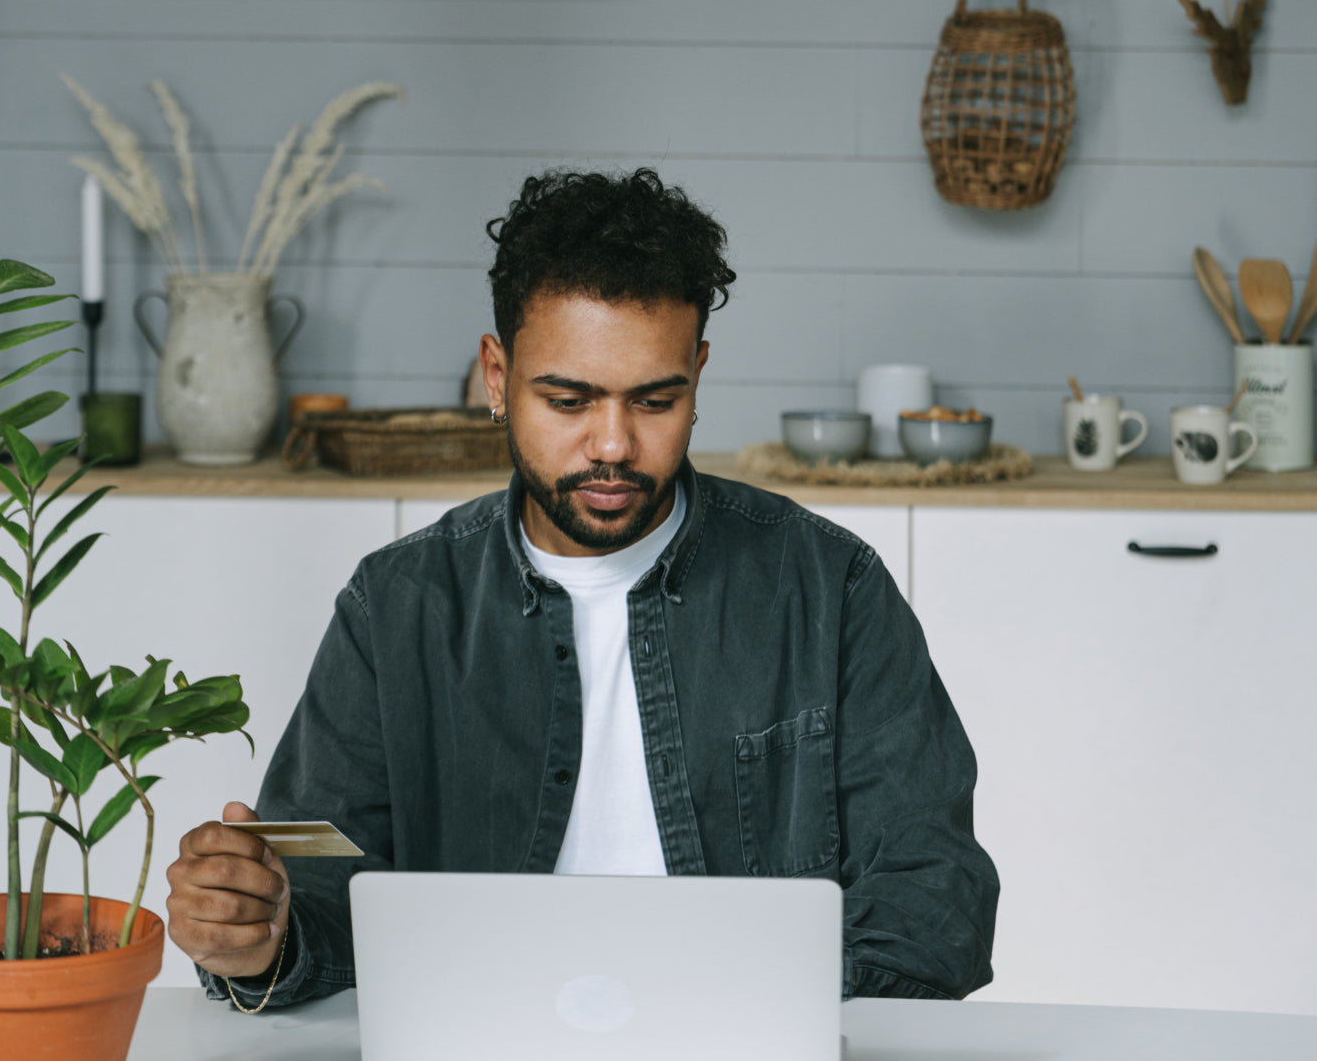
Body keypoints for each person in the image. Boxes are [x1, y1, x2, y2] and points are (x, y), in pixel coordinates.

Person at [166, 167, 999, 1008]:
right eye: (569, 399)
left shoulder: (831, 589)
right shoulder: (397, 604)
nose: (613, 443)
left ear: (698, 374)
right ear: (497, 377)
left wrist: (738, 1008)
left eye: (655, 400)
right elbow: (311, 870)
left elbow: (939, 895)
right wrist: (258, 930)